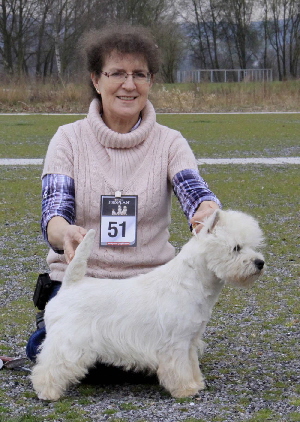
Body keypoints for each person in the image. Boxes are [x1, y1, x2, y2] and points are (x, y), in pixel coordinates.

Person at [26, 25, 221, 368]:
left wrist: (206, 210)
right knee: (57, 354)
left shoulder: (171, 142)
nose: (129, 84)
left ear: (151, 82)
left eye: (139, 74)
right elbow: (54, 211)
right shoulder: (67, 139)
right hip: (81, 286)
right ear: (96, 80)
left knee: (113, 361)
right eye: (117, 73)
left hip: (149, 291)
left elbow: (194, 191)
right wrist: (65, 234)